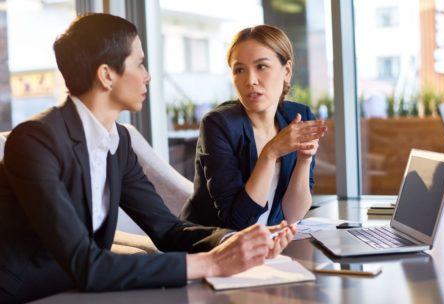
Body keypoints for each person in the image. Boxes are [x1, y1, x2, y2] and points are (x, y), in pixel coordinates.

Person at [0, 14, 296, 303]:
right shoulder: (34, 141)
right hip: (27, 293)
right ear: (106, 75)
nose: (148, 75)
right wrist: (211, 263)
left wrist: (236, 241)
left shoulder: (118, 142)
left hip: (81, 290)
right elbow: (87, 264)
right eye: (140, 63)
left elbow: (167, 230)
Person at [180, 25, 327, 230]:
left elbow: (293, 215)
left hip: (268, 243)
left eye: (262, 66)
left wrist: (304, 160)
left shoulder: (297, 117)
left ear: (287, 71)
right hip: (214, 248)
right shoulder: (218, 125)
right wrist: (270, 152)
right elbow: (237, 222)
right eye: (239, 70)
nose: (250, 81)